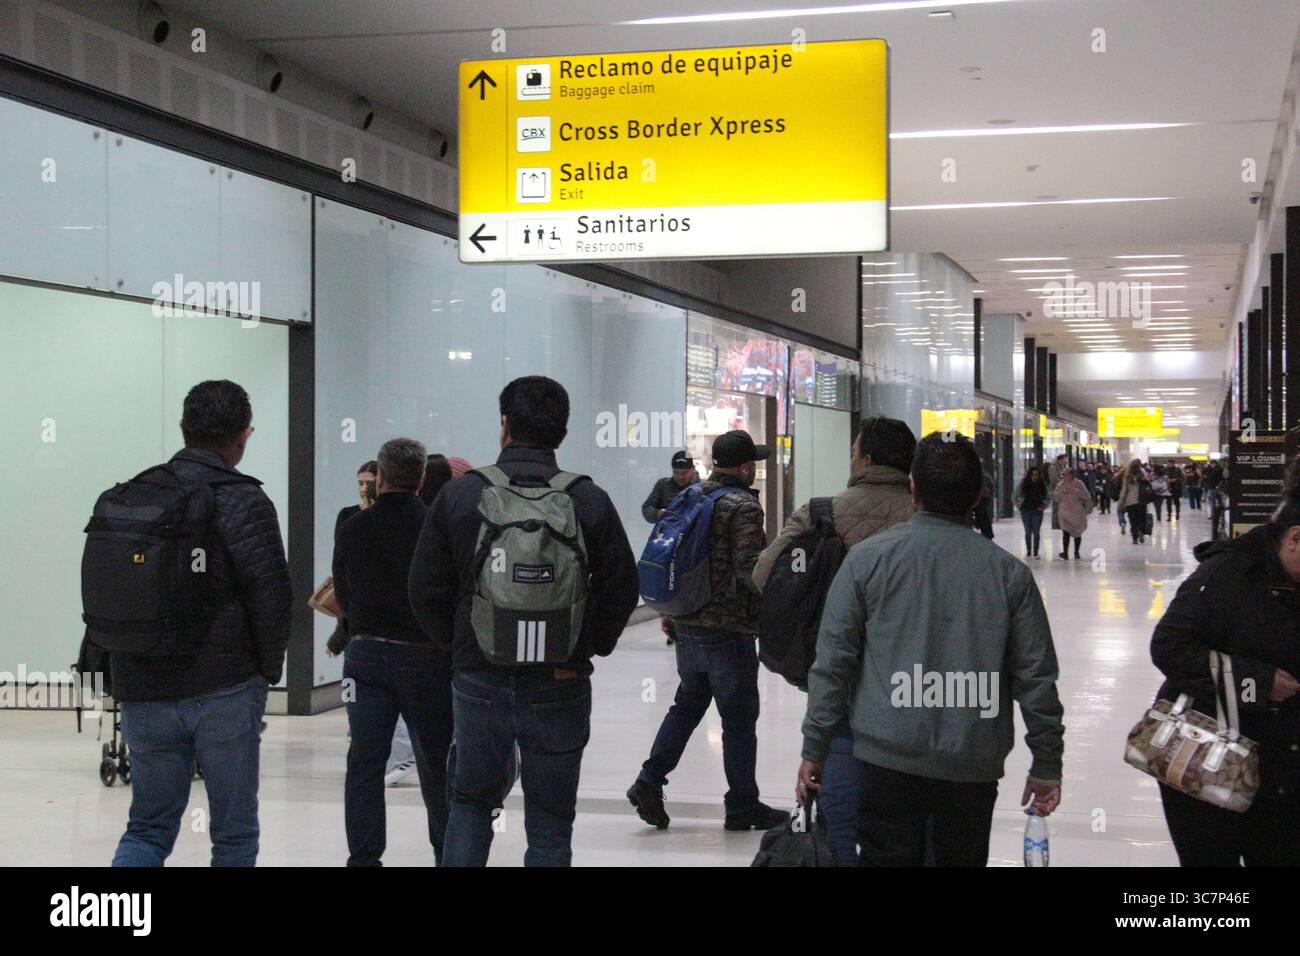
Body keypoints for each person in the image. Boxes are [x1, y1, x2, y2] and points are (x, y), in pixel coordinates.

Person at [795, 433, 1064, 866]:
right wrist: (1047, 763)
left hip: (886, 756)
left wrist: (816, 746)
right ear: (978, 496)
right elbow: (1035, 677)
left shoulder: (867, 560)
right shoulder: (1008, 575)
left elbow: (833, 664)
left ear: (913, 490)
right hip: (970, 761)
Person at [408, 376, 639, 866]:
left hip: (479, 676)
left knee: (471, 804)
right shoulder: (587, 499)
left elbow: (424, 586)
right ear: (563, 430)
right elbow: (621, 586)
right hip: (561, 677)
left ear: (505, 426)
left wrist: (461, 646)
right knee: (551, 820)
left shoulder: (462, 494)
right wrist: (586, 642)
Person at [111, 380, 291, 867]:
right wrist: (265, 675)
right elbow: (272, 599)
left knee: (147, 828)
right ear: (243, 437)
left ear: (183, 429)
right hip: (225, 690)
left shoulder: (135, 493)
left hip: (144, 687)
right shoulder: (245, 501)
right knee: (232, 833)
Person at [752, 416, 917, 864]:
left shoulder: (820, 512)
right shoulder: (927, 516)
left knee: (840, 808)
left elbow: (764, 573)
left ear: (864, 458)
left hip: (836, 680)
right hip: (913, 689)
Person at [628, 429, 789, 834]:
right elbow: (750, 568)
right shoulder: (743, 506)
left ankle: (649, 779)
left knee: (686, 706)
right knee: (738, 721)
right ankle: (742, 806)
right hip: (728, 631)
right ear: (747, 467)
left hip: (689, 624)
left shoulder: (693, 496)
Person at [1149, 476, 1300, 865]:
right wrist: (1256, 683)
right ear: (1294, 538)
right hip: (1211, 762)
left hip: (1285, 772)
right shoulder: (1229, 574)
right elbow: (1169, 646)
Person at [334, 438, 454, 866]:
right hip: (425, 659)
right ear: (421, 479)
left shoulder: (353, 528)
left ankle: (364, 859)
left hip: (363, 657)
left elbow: (343, 597)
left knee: (364, 762)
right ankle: (447, 853)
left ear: (379, 477)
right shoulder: (435, 527)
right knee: (436, 762)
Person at [326, 460, 377, 658]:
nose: (363, 488)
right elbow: (339, 560)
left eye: (368, 483)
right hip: (354, 596)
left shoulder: (385, 514)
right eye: (360, 483)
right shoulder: (348, 515)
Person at [642, 450, 699, 523]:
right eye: (676, 472)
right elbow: (647, 507)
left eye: (684, 473)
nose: (680, 477)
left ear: (693, 469)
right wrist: (657, 514)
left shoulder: (704, 488)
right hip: (668, 531)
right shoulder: (663, 485)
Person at [1052, 468, 1093, 560]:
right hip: (1064, 511)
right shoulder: (1060, 485)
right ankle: (1065, 552)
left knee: (1077, 532)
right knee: (1065, 531)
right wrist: (1062, 492)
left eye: (1066, 474)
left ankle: (1076, 552)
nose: (1064, 477)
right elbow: (1055, 497)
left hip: (1076, 511)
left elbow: (1086, 495)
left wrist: (1076, 491)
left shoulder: (1079, 483)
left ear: (1071, 475)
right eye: (1063, 475)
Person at [1013, 466, 1049, 559]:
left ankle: (1036, 552)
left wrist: (1044, 506)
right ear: (1029, 475)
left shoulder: (1042, 485)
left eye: (1036, 475)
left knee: (1036, 532)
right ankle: (1029, 552)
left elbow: (1048, 497)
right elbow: (1014, 497)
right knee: (1028, 532)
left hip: (1037, 510)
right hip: (1026, 511)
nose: (1035, 477)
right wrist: (1019, 506)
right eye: (1033, 475)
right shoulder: (1024, 484)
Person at [1117, 459, 1150, 544]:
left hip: (1130, 502)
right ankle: (1141, 531)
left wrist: (1121, 503)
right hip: (1142, 501)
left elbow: (1124, 491)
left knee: (1133, 521)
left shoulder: (1128, 477)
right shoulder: (1142, 476)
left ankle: (1134, 538)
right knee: (1142, 519)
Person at [970, 466, 995, 540]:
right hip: (982, 498)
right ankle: (987, 533)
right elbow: (991, 487)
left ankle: (986, 533)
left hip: (980, 498)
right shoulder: (985, 476)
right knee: (982, 515)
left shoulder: (979, 476)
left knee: (981, 515)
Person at [1046, 453, 1067, 534]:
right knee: (1056, 507)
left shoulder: (1063, 467)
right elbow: (1054, 479)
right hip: (1055, 490)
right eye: (1065, 460)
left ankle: (1060, 523)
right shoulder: (1052, 467)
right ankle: (1055, 524)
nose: (1066, 461)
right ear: (1060, 460)